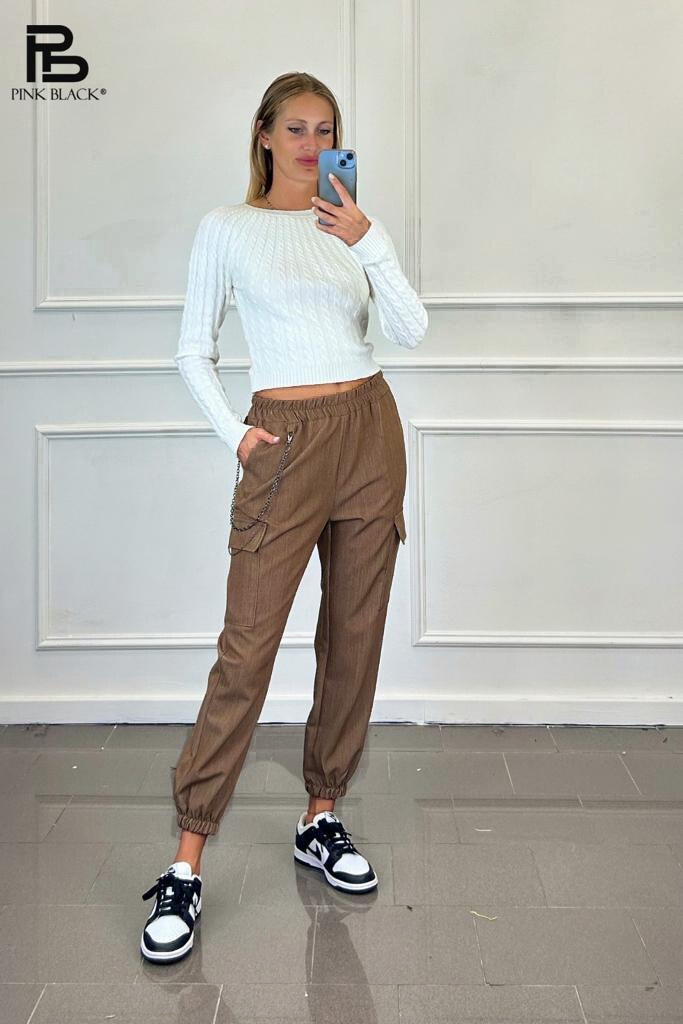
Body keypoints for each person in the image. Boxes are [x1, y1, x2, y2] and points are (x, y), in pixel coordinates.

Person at [140, 71, 428, 964]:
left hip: (369, 429)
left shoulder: (349, 228)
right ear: (264, 134)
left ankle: (320, 815)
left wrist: (369, 240)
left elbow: (411, 331)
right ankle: (187, 859)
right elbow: (192, 349)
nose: (311, 144)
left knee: (354, 635)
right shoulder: (227, 228)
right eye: (296, 128)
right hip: (284, 439)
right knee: (248, 646)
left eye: (326, 129)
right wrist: (236, 435)